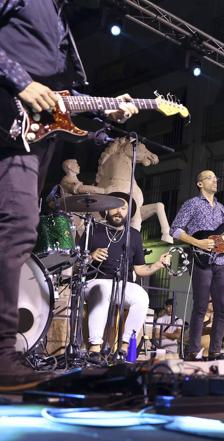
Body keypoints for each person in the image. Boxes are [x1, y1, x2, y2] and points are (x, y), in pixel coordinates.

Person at [0, 0, 138, 388]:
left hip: (32, 139)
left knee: (16, 230)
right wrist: (22, 82)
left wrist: (106, 112)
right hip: (8, 123)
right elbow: (32, 83)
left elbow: (62, 98)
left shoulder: (60, 19)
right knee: (15, 229)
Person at [170, 170, 224, 360]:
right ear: (200, 183)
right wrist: (198, 242)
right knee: (201, 307)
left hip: (219, 261)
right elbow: (175, 230)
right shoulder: (192, 204)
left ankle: (215, 352)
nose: (215, 180)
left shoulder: (220, 208)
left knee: (223, 309)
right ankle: (193, 351)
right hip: (201, 259)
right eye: (210, 178)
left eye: (216, 178)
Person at [84, 192, 170, 354]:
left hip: (122, 285)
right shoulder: (93, 229)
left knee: (142, 297)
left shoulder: (134, 235)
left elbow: (140, 269)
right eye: (115, 207)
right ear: (106, 209)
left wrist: (159, 264)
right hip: (95, 282)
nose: (119, 211)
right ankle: (95, 347)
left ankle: (124, 346)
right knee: (103, 290)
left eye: (123, 208)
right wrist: (91, 256)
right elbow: (77, 262)